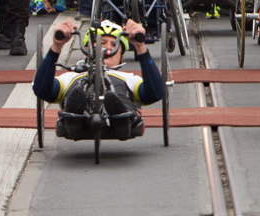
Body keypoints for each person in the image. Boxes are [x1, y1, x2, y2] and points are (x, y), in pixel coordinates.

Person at [32, 18, 165, 141]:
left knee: (116, 91)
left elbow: (155, 93)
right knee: (77, 90)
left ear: (122, 56)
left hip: (119, 112)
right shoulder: (71, 77)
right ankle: (74, 120)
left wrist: (140, 47)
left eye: (114, 44)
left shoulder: (128, 78)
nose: (108, 47)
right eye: (101, 43)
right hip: (78, 112)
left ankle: (122, 119)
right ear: (87, 49)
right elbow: (42, 90)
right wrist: (56, 46)